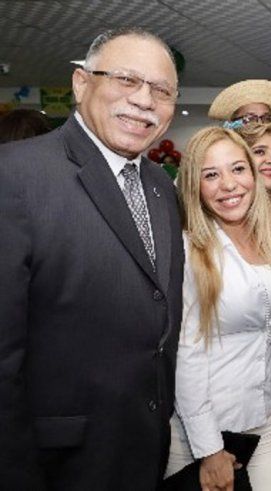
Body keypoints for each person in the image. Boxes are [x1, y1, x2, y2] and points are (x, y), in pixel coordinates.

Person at [0, 28, 184, 488]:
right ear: (81, 83)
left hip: (142, 451)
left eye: (161, 90)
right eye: (126, 79)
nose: (144, 100)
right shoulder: (14, 176)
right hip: (54, 464)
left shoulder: (161, 187)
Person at [162, 127, 271, 490]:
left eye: (238, 169)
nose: (228, 185)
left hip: (264, 417)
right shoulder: (190, 251)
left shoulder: (266, 237)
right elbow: (186, 356)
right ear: (194, 186)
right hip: (203, 433)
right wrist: (210, 450)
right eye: (211, 175)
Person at [208, 79, 271, 199]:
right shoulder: (217, 171)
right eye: (250, 118)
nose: (260, 124)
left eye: (266, 118)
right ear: (233, 124)